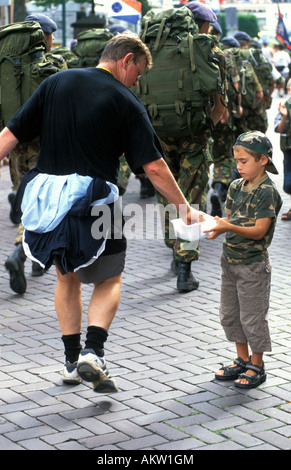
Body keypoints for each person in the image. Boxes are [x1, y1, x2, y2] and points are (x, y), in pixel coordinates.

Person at [0, 32, 202, 392]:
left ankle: (69, 361)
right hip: (97, 200)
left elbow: (9, 136)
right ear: (126, 60)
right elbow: (154, 167)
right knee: (109, 278)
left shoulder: (56, 83)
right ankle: (93, 352)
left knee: (67, 279)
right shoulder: (124, 100)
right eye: (137, 74)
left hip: (50, 200)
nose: (137, 83)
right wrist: (183, 209)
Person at [155, 1, 225, 292]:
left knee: (167, 192)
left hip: (159, 133)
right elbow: (220, 109)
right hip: (193, 137)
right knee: (192, 196)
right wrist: (201, 128)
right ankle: (185, 268)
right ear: (204, 25)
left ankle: (173, 249)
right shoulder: (210, 51)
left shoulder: (154, 50)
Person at [205, 131, 282, 389]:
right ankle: (242, 358)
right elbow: (231, 220)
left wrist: (228, 228)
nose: (238, 166)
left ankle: (257, 366)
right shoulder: (236, 186)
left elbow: (259, 230)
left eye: (244, 161)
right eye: (236, 161)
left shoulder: (267, 191)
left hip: (253, 266)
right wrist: (216, 227)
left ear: (262, 160)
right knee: (231, 315)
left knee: (253, 318)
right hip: (230, 262)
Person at [5, 13, 61, 295]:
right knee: (41, 206)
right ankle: (20, 254)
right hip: (45, 147)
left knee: (28, 199)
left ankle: (39, 259)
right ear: (46, 37)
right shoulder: (54, 65)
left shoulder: (5, 66)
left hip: (14, 144)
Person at [274, 78, 291, 220]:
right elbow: (279, 129)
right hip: (288, 150)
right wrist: (284, 116)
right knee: (288, 184)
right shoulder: (285, 106)